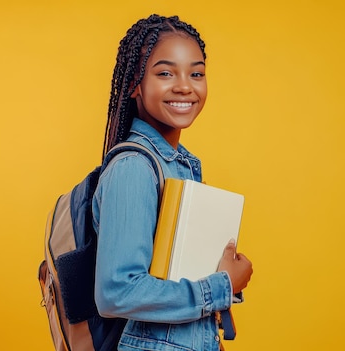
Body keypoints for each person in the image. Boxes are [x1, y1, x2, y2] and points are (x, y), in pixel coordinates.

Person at [91, 14, 253, 351]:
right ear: (135, 84)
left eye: (196, 73)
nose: (184, 85)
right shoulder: (134, 168)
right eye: (165, 73)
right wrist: (221, 286)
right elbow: (117, 292)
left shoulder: (180, 167)